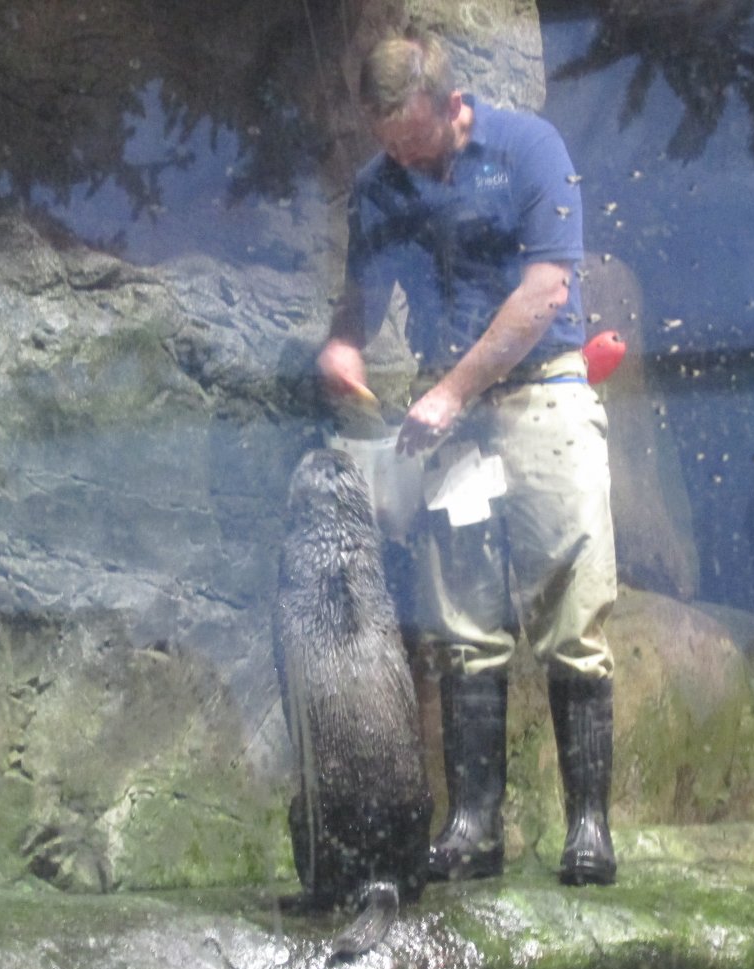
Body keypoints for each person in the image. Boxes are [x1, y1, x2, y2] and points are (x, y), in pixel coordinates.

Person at [316, 30, 618, 886]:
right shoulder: (379, 187)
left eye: (416, 142)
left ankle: (588, 828)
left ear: (454, 108)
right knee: (462, 622)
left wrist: (450, 391)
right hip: (448, 427)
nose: (404, 161)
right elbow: (360, 301)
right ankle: (475, 826)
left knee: (573, 604)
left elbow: (545, 291)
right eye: (389, 148)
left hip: (541, 395)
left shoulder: (528, 148)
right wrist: (342, 346)